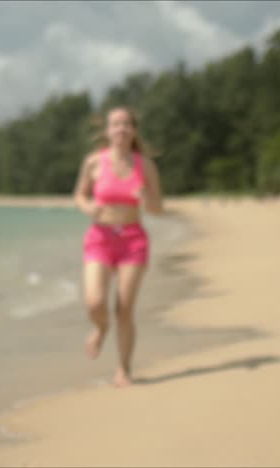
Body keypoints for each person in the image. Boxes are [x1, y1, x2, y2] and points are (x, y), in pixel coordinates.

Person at [73, 106, 164, 388]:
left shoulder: (145, 165)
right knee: (94, 302)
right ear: (107, 131)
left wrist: (145, 198)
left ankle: (124, 369)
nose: (121, 129)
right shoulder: (93, 163)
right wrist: (90, 207)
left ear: (134, 131)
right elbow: (79, 195)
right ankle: (100, 328)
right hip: (99, 239)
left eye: (126, 124)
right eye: (115, 124)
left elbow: (158, 209)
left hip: (133, 241)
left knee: (124, 308)